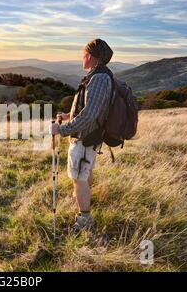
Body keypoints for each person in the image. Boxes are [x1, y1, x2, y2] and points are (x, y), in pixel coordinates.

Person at [51, 38, 114, 233]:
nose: (82, 57)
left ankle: (85, 219)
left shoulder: (99, 79)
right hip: (89, 136)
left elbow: (89, 114)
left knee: (79, 177)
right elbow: (88, 108)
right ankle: (83, 202)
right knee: (84, 175)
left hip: (85, 137)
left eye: (84, 54)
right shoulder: (97, 76)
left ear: (92, 57)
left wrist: (61, 130)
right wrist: (68, 116)